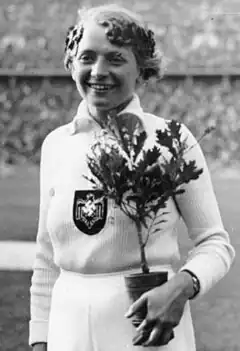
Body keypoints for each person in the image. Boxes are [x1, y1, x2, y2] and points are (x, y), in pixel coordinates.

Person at [29, 4, 235, 351]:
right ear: (71, 63)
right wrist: (39, 339)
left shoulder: (172, 139)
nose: (98, 71)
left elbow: (216, 244)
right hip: (67, 331)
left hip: (148, 329)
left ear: (142, 70)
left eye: (115, 59)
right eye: (87, 57)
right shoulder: (55, 145)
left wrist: (182, 286)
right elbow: (47, 257)